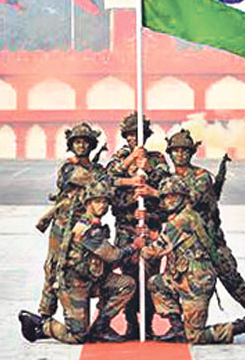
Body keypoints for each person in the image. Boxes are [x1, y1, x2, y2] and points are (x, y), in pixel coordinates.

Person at [147, 129, 245, 341]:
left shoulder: (201, 177)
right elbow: (165, 210)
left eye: (184, 151)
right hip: (185, 246)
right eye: (176, 151)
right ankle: (179, 326)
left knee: (234, 282)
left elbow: (191, 200)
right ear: (170, 153)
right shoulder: (168, 180)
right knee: (173, 281)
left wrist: (155, 193)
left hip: (210, 242)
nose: (180, 155)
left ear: (191, 153)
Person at [19, 181, 144, 344]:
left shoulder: (95, 225)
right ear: (88, 203)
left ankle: (101, 327)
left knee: (126, 284)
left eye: (105, 202)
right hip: (74, 284)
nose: (102, 206)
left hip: (93, 279)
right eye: (97, 201)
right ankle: (42, 326)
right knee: (78, 336)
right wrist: (135, 246)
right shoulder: (86, 229)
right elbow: (113, 256)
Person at [106, 112, 170, 339]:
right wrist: (131, 160)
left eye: (138, 134)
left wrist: (148, 168)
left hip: (150, 227)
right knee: (130, 279)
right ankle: (131, 323)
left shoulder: (157, 159)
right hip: (126, 228)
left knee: (150, 277)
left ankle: (148, 324)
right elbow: (107, 181)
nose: (134, 138)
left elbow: (167, 187)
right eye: (130, 135)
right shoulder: (120, 157)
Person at [35, 122, 108, 319]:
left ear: (91, 145)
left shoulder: (97, 169)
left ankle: (80, 314)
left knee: (86, 266)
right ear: (71, 145)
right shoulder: (68, 168)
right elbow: (95, 182)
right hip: (62, 224)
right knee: (53, 265)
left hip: (86, 226)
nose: (81, 145)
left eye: (85, 142)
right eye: (77, 142)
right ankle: (45, 313)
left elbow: (105, 186)